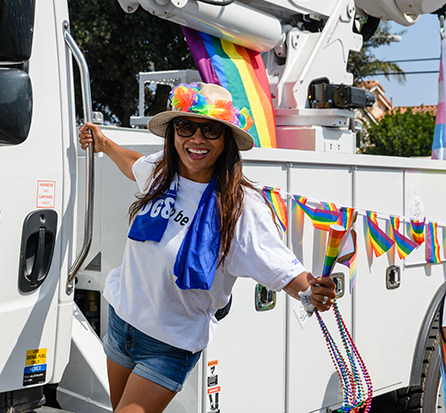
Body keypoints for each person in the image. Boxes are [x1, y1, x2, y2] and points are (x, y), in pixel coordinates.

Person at [78, 82, 337, 413]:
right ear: (173, 134)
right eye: (186, 127)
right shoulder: (161, 171)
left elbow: (282, 268)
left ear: (226, 140)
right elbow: (133, 163)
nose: (196, 139)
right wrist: (103, 143)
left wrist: (311, 292)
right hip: (121, 321)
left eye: (211, 130)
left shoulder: (241, 206)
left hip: (170, 342)